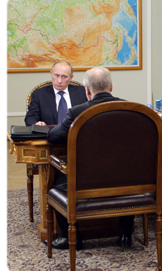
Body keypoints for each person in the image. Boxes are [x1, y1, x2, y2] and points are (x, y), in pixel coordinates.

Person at [46, 66, 135, 250]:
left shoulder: (77, 112)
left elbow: (54, 136)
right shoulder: (130, 109)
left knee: (57, 179)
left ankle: (70, 238)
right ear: (110, 86)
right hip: (124, 179)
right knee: (125, 172)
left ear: (87, 90)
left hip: (85, 182)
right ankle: (125, 235)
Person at [25, 60, 87, 126]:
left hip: (76, 134)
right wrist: (36, 124)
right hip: (49, 134)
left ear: (71, 77)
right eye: (56, 75)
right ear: (51, 74)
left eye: (64, 77)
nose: (59, 81)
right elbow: (30, 118)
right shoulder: (39, 94)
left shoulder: (83, 92)